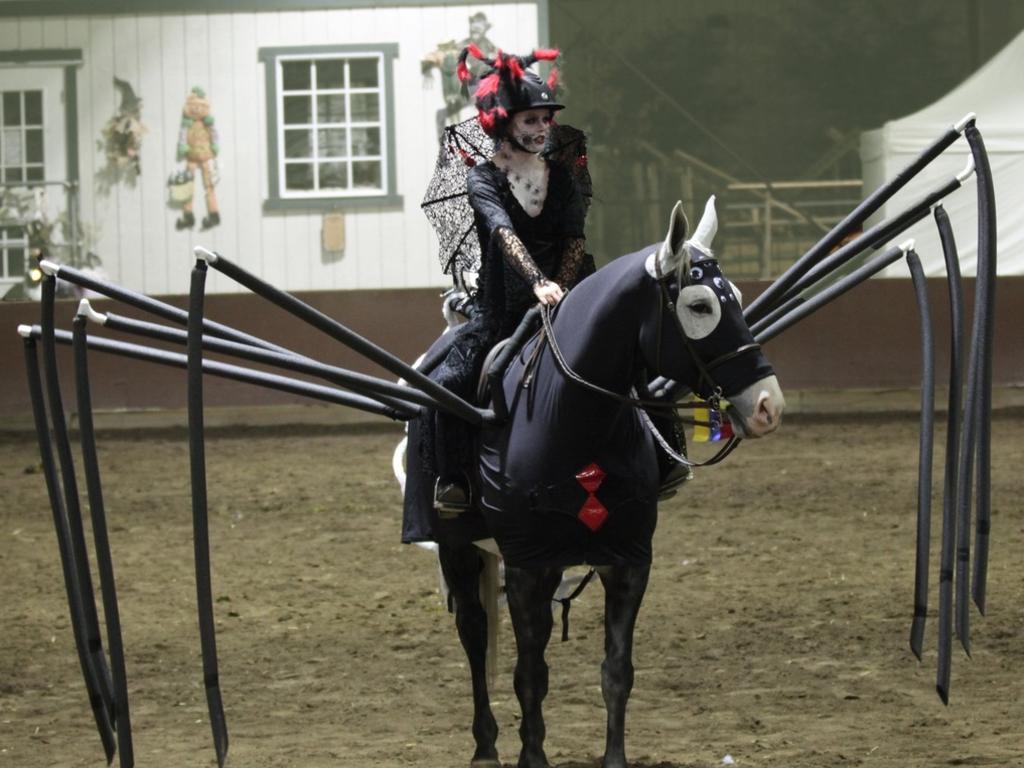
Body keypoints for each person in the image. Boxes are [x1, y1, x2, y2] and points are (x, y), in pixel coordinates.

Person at [429, 45, 592, 512]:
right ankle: (453, 480)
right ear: (503, 122)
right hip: (500, 313)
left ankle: (660, 460)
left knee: (627, 358)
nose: (542, 129)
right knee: (451, 381)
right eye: (530, 121)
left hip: (566, 301)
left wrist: (557, 290)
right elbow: (502, 233)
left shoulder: (563, 177)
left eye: (546, 119)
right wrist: (538, 283)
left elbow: (575, 239)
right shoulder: (482, 179)